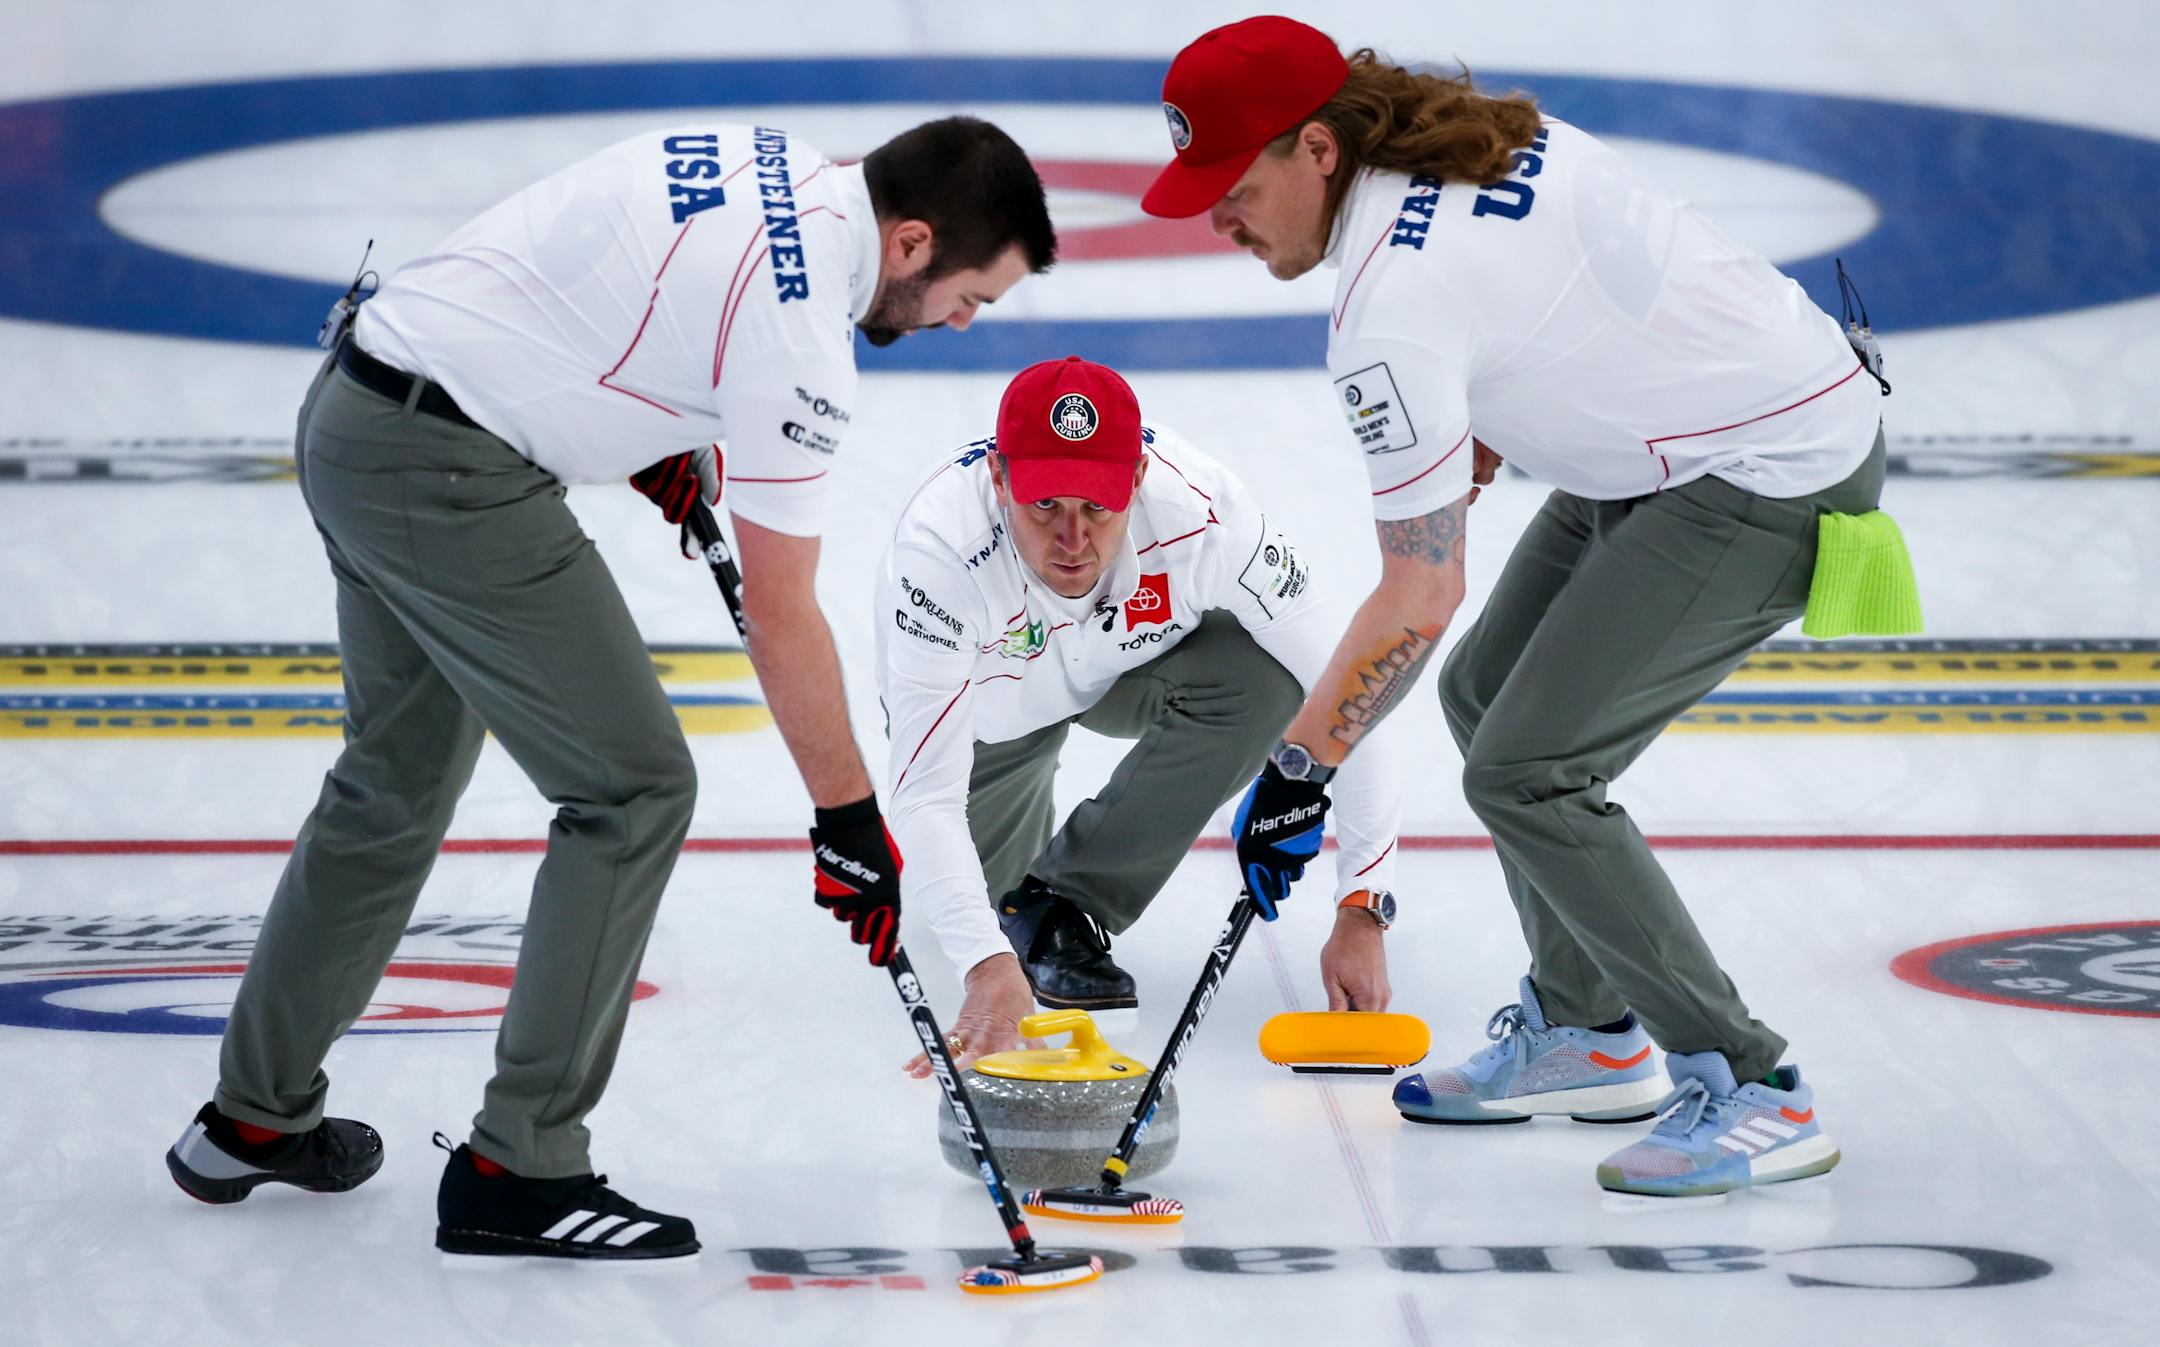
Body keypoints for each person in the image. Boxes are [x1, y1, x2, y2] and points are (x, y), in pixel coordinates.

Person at [164, 117, 1056, 1255]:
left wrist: (652, 426)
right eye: (968, 297)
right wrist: (847, 820)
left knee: (395, 780)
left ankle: (251, 1117)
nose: (959, 324)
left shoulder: (757, 153)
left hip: (359, 409)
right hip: (450, 474)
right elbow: (787, 619)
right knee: (632, 792)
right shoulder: (803, 342)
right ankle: (519, 1166)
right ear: (915, 242)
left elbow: (611, 281)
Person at [1147, 17, 1886, 1197]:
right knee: (1485, 696)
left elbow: (1420, 587)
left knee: (1529, 770)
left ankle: (1751, 1085)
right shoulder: (1460, 139)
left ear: (1318, 152)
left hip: (1764, 470)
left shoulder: (1388, 305)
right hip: (1677, 437)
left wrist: (1298, 773)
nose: (1215, 219)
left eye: (1232, 188)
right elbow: (1566, 290)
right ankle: (1588, 1033)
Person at [873, 355, 1404, 1076]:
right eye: (1045, 506)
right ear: (999, 478)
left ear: (1138, 479)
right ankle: (1014, 905)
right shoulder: (937, 554)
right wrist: (986, 965)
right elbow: (925, 792)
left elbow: (1349, 688)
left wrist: (1362, 903)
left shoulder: (1207, 515)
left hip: (1122, 669)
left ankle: (1066, 900)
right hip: (991, 713)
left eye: (1098, 507)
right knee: (969, 919)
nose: (1072, 540)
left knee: (1269, 677)